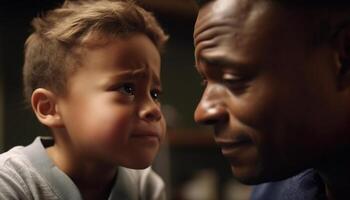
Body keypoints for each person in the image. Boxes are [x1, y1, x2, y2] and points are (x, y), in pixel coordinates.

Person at [0, 0, 168, 199]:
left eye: (154, 94)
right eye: (127, 88)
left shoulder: (146, 186)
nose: (154, 110)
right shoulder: (11, 183)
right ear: (50, 108)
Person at [193, 0, 350, 199]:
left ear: (344, 58)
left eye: (233, 79)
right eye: (205, 81)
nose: (202, 112)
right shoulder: (271, 192)